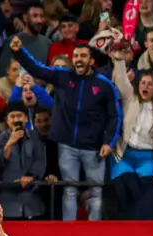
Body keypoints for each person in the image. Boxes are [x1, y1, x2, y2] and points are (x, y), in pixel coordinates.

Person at [10, 36, 120, 221]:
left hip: (94, 147)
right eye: (76, 55)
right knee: (69, 190)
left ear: (91, 60)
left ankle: (95, 232)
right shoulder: (63, 76)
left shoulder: (104, 84)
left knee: (96, 192)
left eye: (83, 56)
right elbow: (37, 68)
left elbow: (115, 116)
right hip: (67, 145)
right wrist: (19, 52)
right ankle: (69, 230)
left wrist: (109, 142)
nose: (79, 59)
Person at [110, 48, 153, 220]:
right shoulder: (130, 98)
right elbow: (122, 82)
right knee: (125, 188)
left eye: (149, 84)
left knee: (146, 196)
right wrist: (119, 60)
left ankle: (143, 235)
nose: (145, 86)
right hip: (125, 155)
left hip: (147, 158)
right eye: (142, 83)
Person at [0, 101, 46, 219]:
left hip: (32, 201)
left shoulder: (35, 137)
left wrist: (31, 176)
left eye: (20, 116)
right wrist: (10, 143)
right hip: (7, 203)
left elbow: (40, 159)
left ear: (26, 118)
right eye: (13, 116)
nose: (16, 119)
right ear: (7, 120)